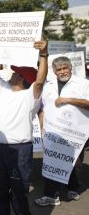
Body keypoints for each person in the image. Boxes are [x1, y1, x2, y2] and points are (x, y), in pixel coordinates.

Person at [0, 40, 48, 215]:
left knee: (18, 191)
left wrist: (43, 55)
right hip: (0, 149)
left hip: (20, 150)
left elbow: (39, 80)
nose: (11, 74)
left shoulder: (31, 95)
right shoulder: (4, 89)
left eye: (15, 73)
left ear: (23, 78)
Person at [34, 56, 89, 206]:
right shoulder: (48, 86)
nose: (62, 71)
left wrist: (67, 100)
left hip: (75, 133)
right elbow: (43, 109)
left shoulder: (83, 84)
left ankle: (72, 188)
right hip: (52, 132)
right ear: (54, 71)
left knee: (72, 161)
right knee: (51, 161)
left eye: (65, 68)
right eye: (59, 69)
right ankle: (51, 195)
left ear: (71, 68)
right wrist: (41, 129)